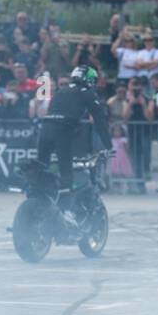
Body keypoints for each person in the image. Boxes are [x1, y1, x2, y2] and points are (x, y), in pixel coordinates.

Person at [35, 65, 111, 222]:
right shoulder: (87, 93)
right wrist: (108, 145)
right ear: (89, 80)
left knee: (41, 165)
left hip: (45, 130)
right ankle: (65, 210)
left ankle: (37, 198)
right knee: (66, 171)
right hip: (62, 131)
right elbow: (100, 120)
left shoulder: (61, 91)